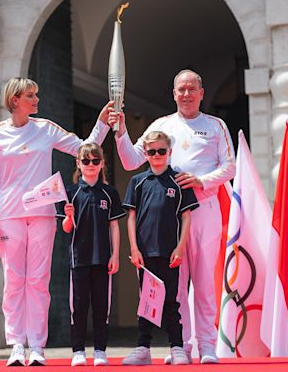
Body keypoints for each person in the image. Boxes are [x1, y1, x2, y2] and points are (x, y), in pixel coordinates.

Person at [0, 77, 113, 367]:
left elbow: (84, 149)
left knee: (38, 281)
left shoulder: (46, 129)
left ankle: (38, 346)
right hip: (9, 215)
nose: (36, 99)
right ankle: (17, 344)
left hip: (42, 214)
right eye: (31, 95)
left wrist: (102, 125)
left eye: (36, 94)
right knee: (14, 281)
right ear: (15, 100)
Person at [109, 70, 235, 364]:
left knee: (203, 281)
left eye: (192, 89)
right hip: (168, 216)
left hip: (203, 209)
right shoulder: (161, 126)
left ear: (202, 93)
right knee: (174, 285)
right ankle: (182, 345)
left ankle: (207, 346)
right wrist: (121, 131)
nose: (187, 94)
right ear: (174, 93)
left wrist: (202, 180)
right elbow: (130, 160)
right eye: (181, 89)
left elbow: (230, 166)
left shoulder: (215, 126)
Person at [121, 131, 199, 366]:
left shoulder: (179, 180)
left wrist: (181, 247)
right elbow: (131, 218)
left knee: (171, 302)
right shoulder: (138, 182)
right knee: (146, 301)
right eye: (152, 151)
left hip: (169, 252)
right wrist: (134, 249)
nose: (156, 155)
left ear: (169, 152)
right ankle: (143, 348)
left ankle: (177, 347)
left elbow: (186, 217)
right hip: (144, 254)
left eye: (161, 151)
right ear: (145, 154)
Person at [56, 143, 125, 367]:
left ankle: (100, 350)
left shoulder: (110, 192)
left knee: (101, 306)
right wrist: (68, 216)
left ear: (102, 163)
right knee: (79, 305)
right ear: (78, 164)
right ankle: (77, 350)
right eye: (86, 161)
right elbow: (67, 228)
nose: (91, 165)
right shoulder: (70, 192)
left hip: (103, 258)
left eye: (96, 161)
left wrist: (115, 255)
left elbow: (114, 226)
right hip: (79, 258)